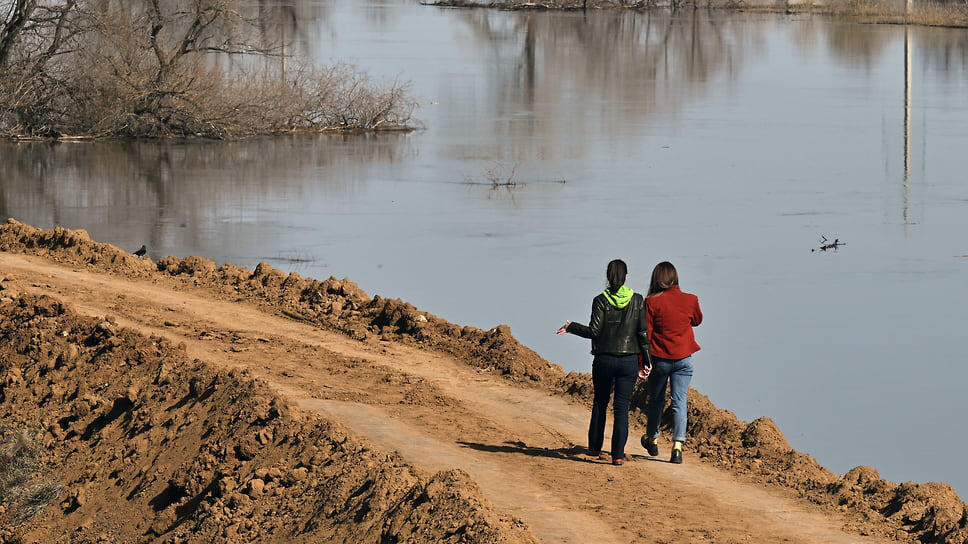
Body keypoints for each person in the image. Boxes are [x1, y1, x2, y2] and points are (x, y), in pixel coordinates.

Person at [557, 259, 649, 466]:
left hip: (604, 360)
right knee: (621, 408)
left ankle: (594, 447)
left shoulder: (600, 300)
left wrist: (572, 327)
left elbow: (594, 331)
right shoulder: (637, 300)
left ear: (607, 278)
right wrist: (647, 361)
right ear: (626, 277)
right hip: (629, 361)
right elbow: (642, 333)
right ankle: (617, 455)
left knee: (600, 402)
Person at [639, 261, 702, 464]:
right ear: (675, 278)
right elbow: (697, 320)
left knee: (656, 400)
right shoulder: (691, 299)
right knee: (679, 402)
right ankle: (677, 446)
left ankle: (653, 439)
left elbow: (646, 334)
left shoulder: (651, 302)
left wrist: (642, 362)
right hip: (683, 359)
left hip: (660, 360)